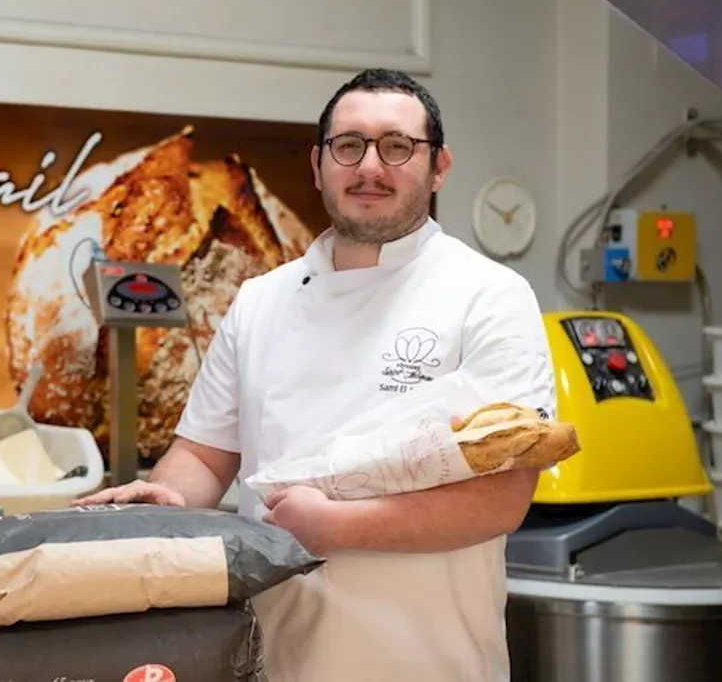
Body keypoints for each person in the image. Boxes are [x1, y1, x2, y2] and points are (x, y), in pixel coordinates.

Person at [76, 68, 554, 681]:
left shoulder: (488, 295)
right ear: (319, 164)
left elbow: (501, 498)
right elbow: (203, 455)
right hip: (276, 660)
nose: (370, 167)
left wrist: (335, 527)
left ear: (438, 168)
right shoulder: (259, 302)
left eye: (397, 146)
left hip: (433, 664)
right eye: (348, 145)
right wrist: (167, 500)